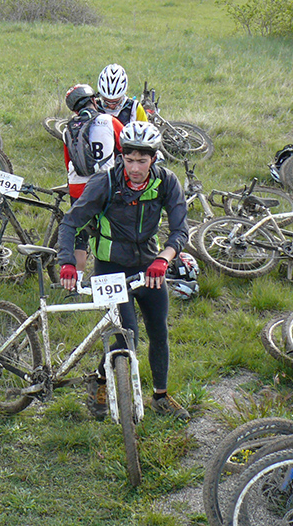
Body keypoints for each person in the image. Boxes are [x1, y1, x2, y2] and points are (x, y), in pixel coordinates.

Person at [57, 121, 190, 422]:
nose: (135, 168)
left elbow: (181, 229)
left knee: (159, 331)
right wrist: (67, 261)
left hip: (149, 265)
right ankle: (100, 381)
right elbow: (70, 222)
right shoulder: (104, 183)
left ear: (154, 158)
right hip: (110, 266)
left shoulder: (166, 182)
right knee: (126, 336)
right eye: (129, 160)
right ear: (121, 157)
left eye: (142, 161)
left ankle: (160, 395)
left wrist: (165, 258)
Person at [62, 84, 123, 274]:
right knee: (112, 233)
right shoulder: (108, 120)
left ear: (74, 109)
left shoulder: (68, 129)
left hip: (77, 187)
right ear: (94, 101)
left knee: (80, 237)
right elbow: (126, 144)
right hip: (105, 185)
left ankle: (75, 284)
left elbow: (68, 163)